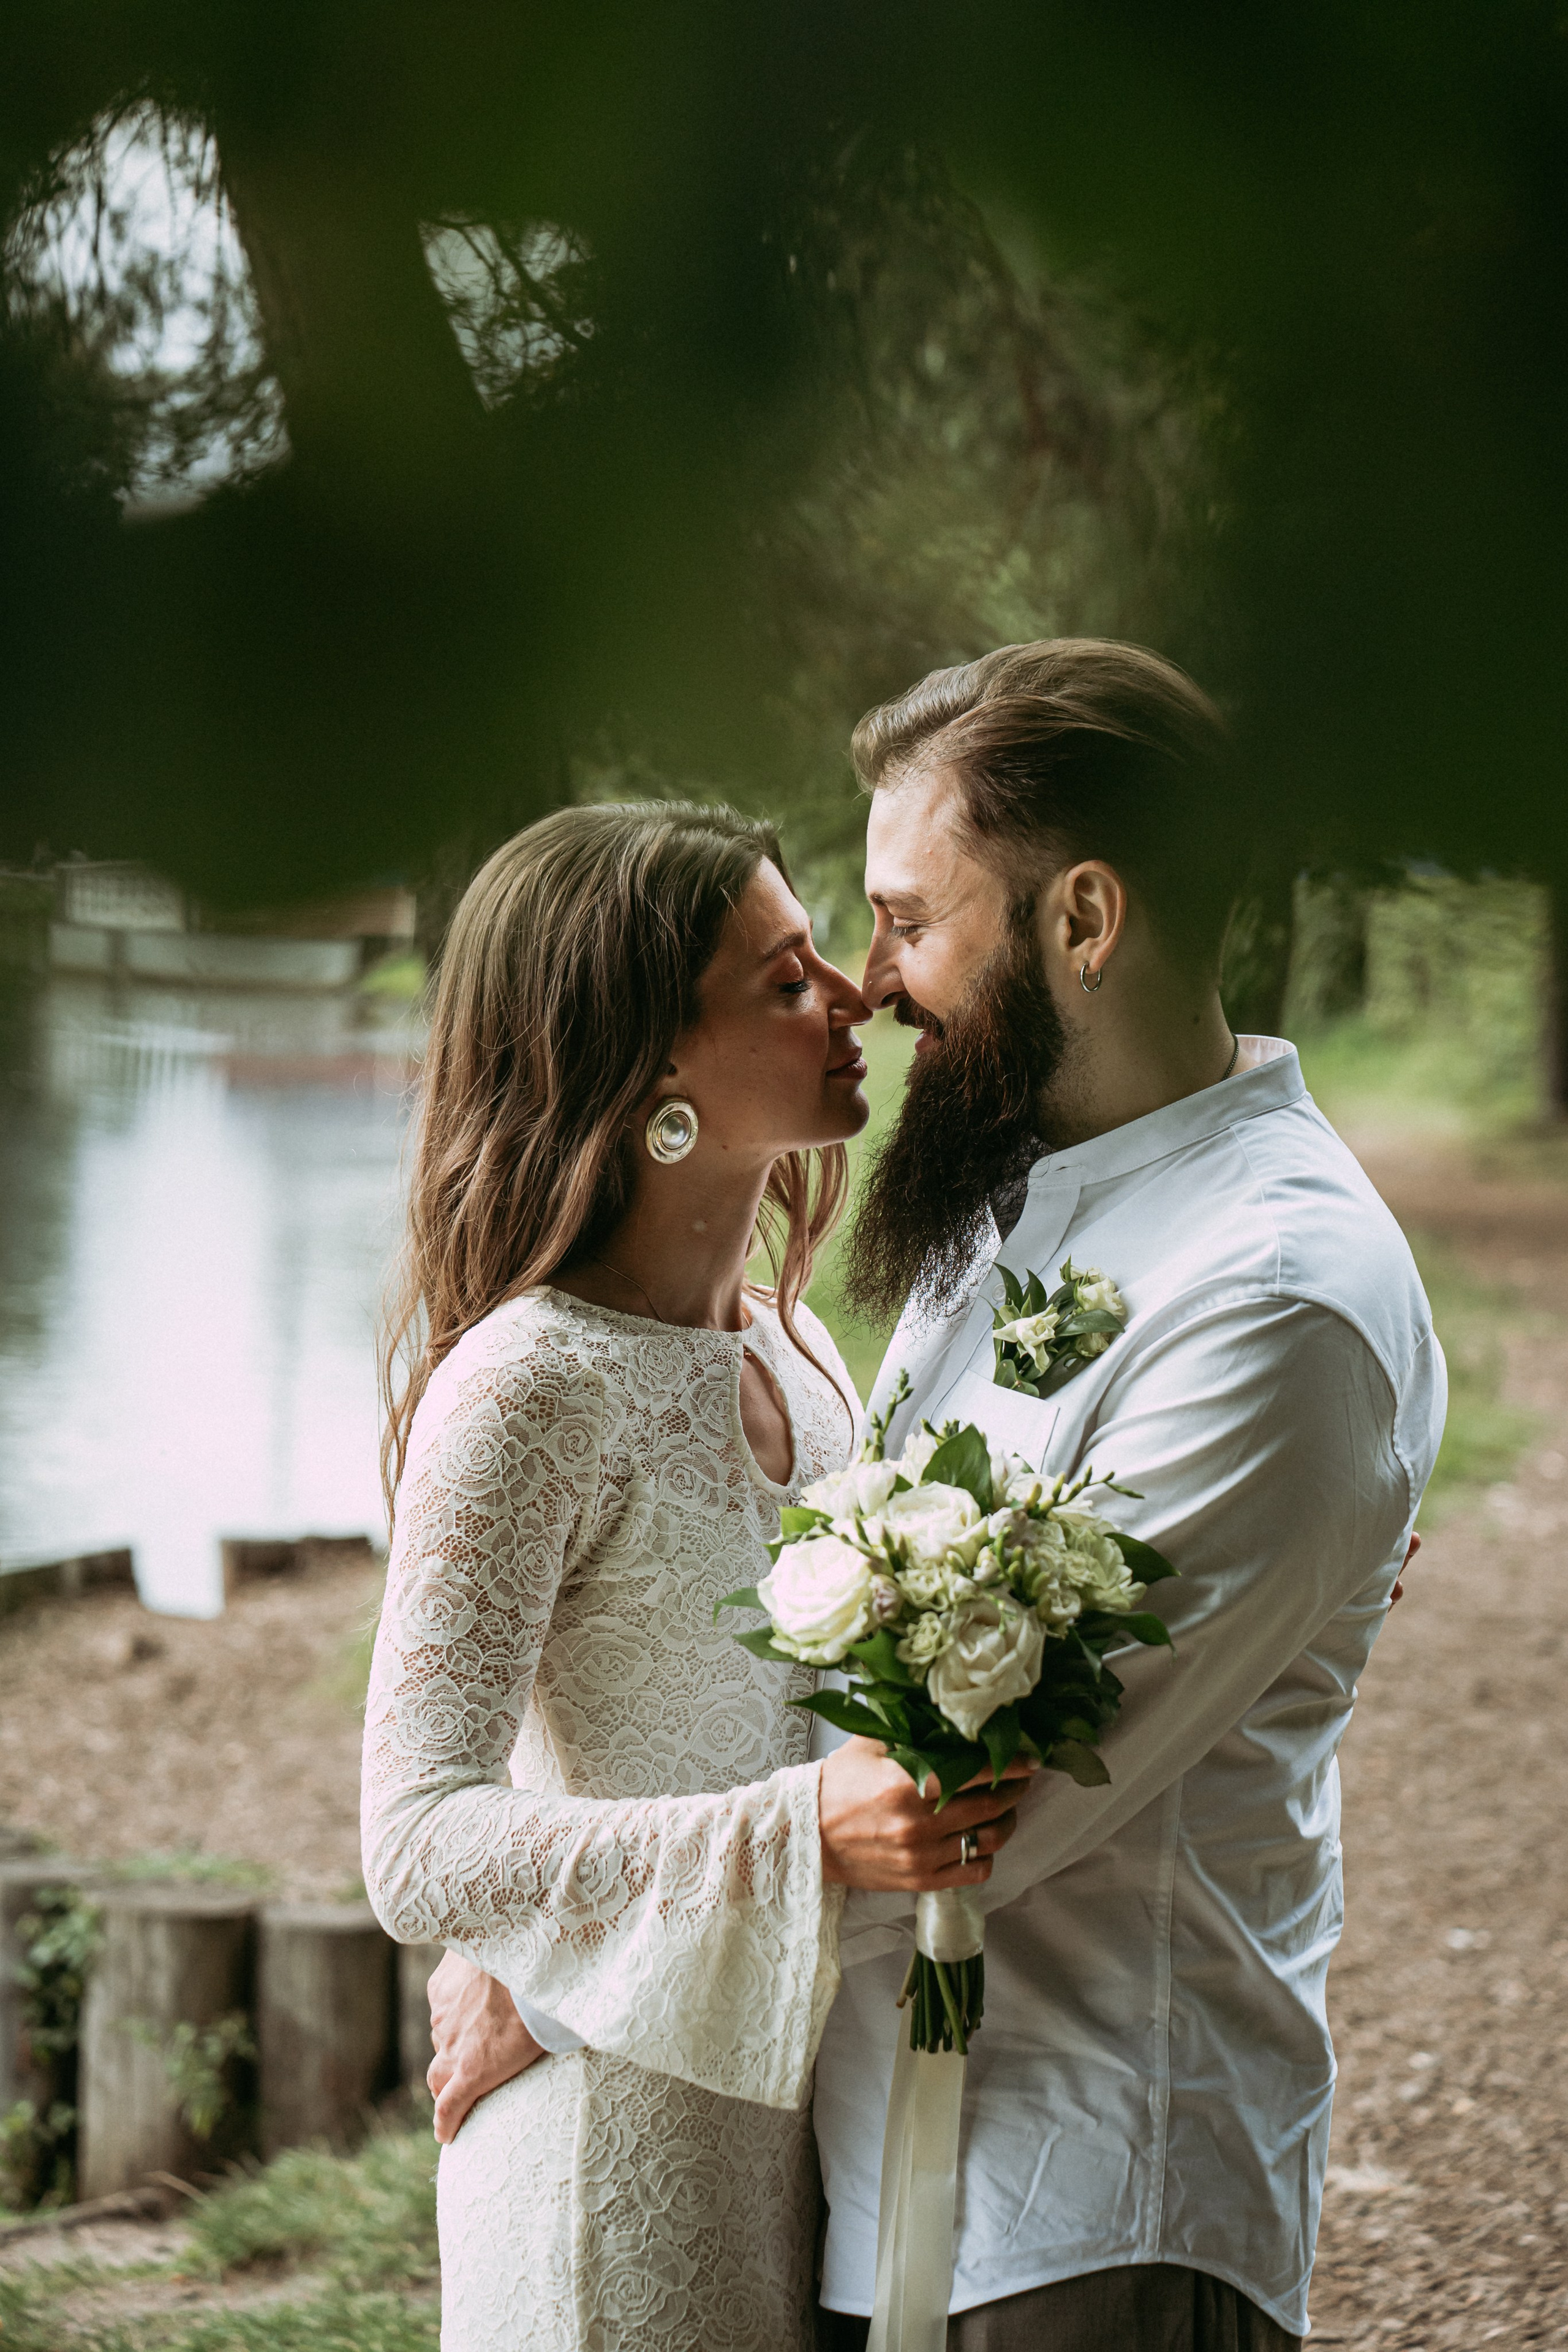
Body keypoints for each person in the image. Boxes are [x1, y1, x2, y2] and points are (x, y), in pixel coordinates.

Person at [810, 638, 1445, 2348]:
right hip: (880, 2181)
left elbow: (974, 1808)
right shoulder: (1010, 1198)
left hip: (1085, 2215)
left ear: (1083, 918)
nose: (869, 981)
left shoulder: (1277, 1299)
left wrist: (572, 1924)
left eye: (909, 919)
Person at [359, 802, 1027, 2352]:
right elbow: (416, 1840)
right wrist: (800, 1833)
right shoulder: (529, 1386)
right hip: (602, 2171)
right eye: (787, 983)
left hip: (794, 2123)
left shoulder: (798, 1352)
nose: (854, 997)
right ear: (650, 1065)